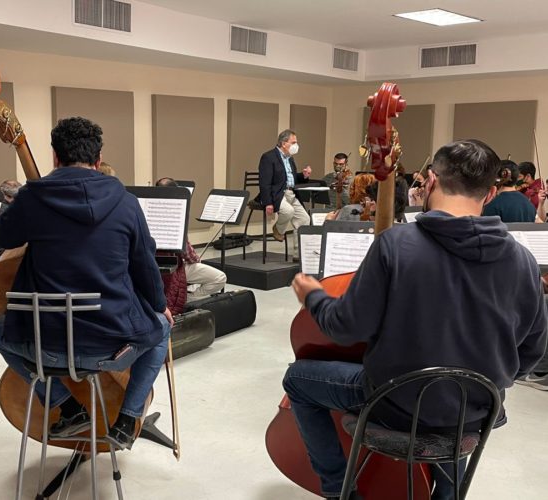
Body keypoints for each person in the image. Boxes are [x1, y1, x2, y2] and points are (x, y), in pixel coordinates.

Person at [284, 139, 547, 500]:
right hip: (476, 413)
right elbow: (532, 351)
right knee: (457, 401)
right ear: (489, 195)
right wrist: (482, 375)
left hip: (395, 407)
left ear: (431, 182)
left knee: (297, 380)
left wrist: (312, 295)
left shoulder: (396, 244)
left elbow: (346, 328)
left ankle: (338, 491)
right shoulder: (522, 260)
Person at [0, 117, 173, 450]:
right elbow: (145, 265)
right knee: (162, 327)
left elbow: (2, 235)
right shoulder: (127, 203)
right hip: (112, 348)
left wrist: (17, 204)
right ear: (98, 158)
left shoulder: (33, 198)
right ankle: (128, 418)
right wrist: (160, 307)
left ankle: (67, 406)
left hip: (42, 348)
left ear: (55, 157)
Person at [155, 178, 227, 299]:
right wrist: (196, 259)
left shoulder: (147, 209)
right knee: (220, 278)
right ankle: (189, 299)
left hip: (152, 264)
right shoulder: (175, 214)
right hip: (173, 266)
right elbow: (188, 254)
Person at [257, 129, 312, 249]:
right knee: (288, 211)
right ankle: (278, 229)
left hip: (291, 193)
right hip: (276, 194)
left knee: (304, 219)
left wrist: (303, 175)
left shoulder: (289, 158)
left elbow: (290, 178)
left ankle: (299, 255)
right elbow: (264, 182)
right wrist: (268, 203)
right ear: (283, 143)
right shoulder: (268, 157)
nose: (296, 146)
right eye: (293, 142)